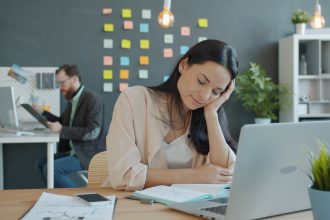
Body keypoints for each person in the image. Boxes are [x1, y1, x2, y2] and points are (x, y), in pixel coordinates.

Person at [103, 40, 239, 191]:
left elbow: (223, 175)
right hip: (130, 206)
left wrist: (211, 113)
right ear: (183, 65)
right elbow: (124, 175)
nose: (205, 96)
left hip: (181, 210)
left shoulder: (207, 116)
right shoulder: (134, 100)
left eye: (216, 91)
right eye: (201, 81)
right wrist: (194, 176)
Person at [40, 64, 106, 188]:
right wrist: (43, 112)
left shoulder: (92, 99)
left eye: (61, 83)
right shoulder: (73, 100)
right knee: (42, 163)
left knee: (51, 169)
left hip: (88, 154)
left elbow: (92, 132)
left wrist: (62, 129)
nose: (60, 87)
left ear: (74, 79)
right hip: (74, 150)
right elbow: (63, 122)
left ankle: (77, 196)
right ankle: (58, 197)